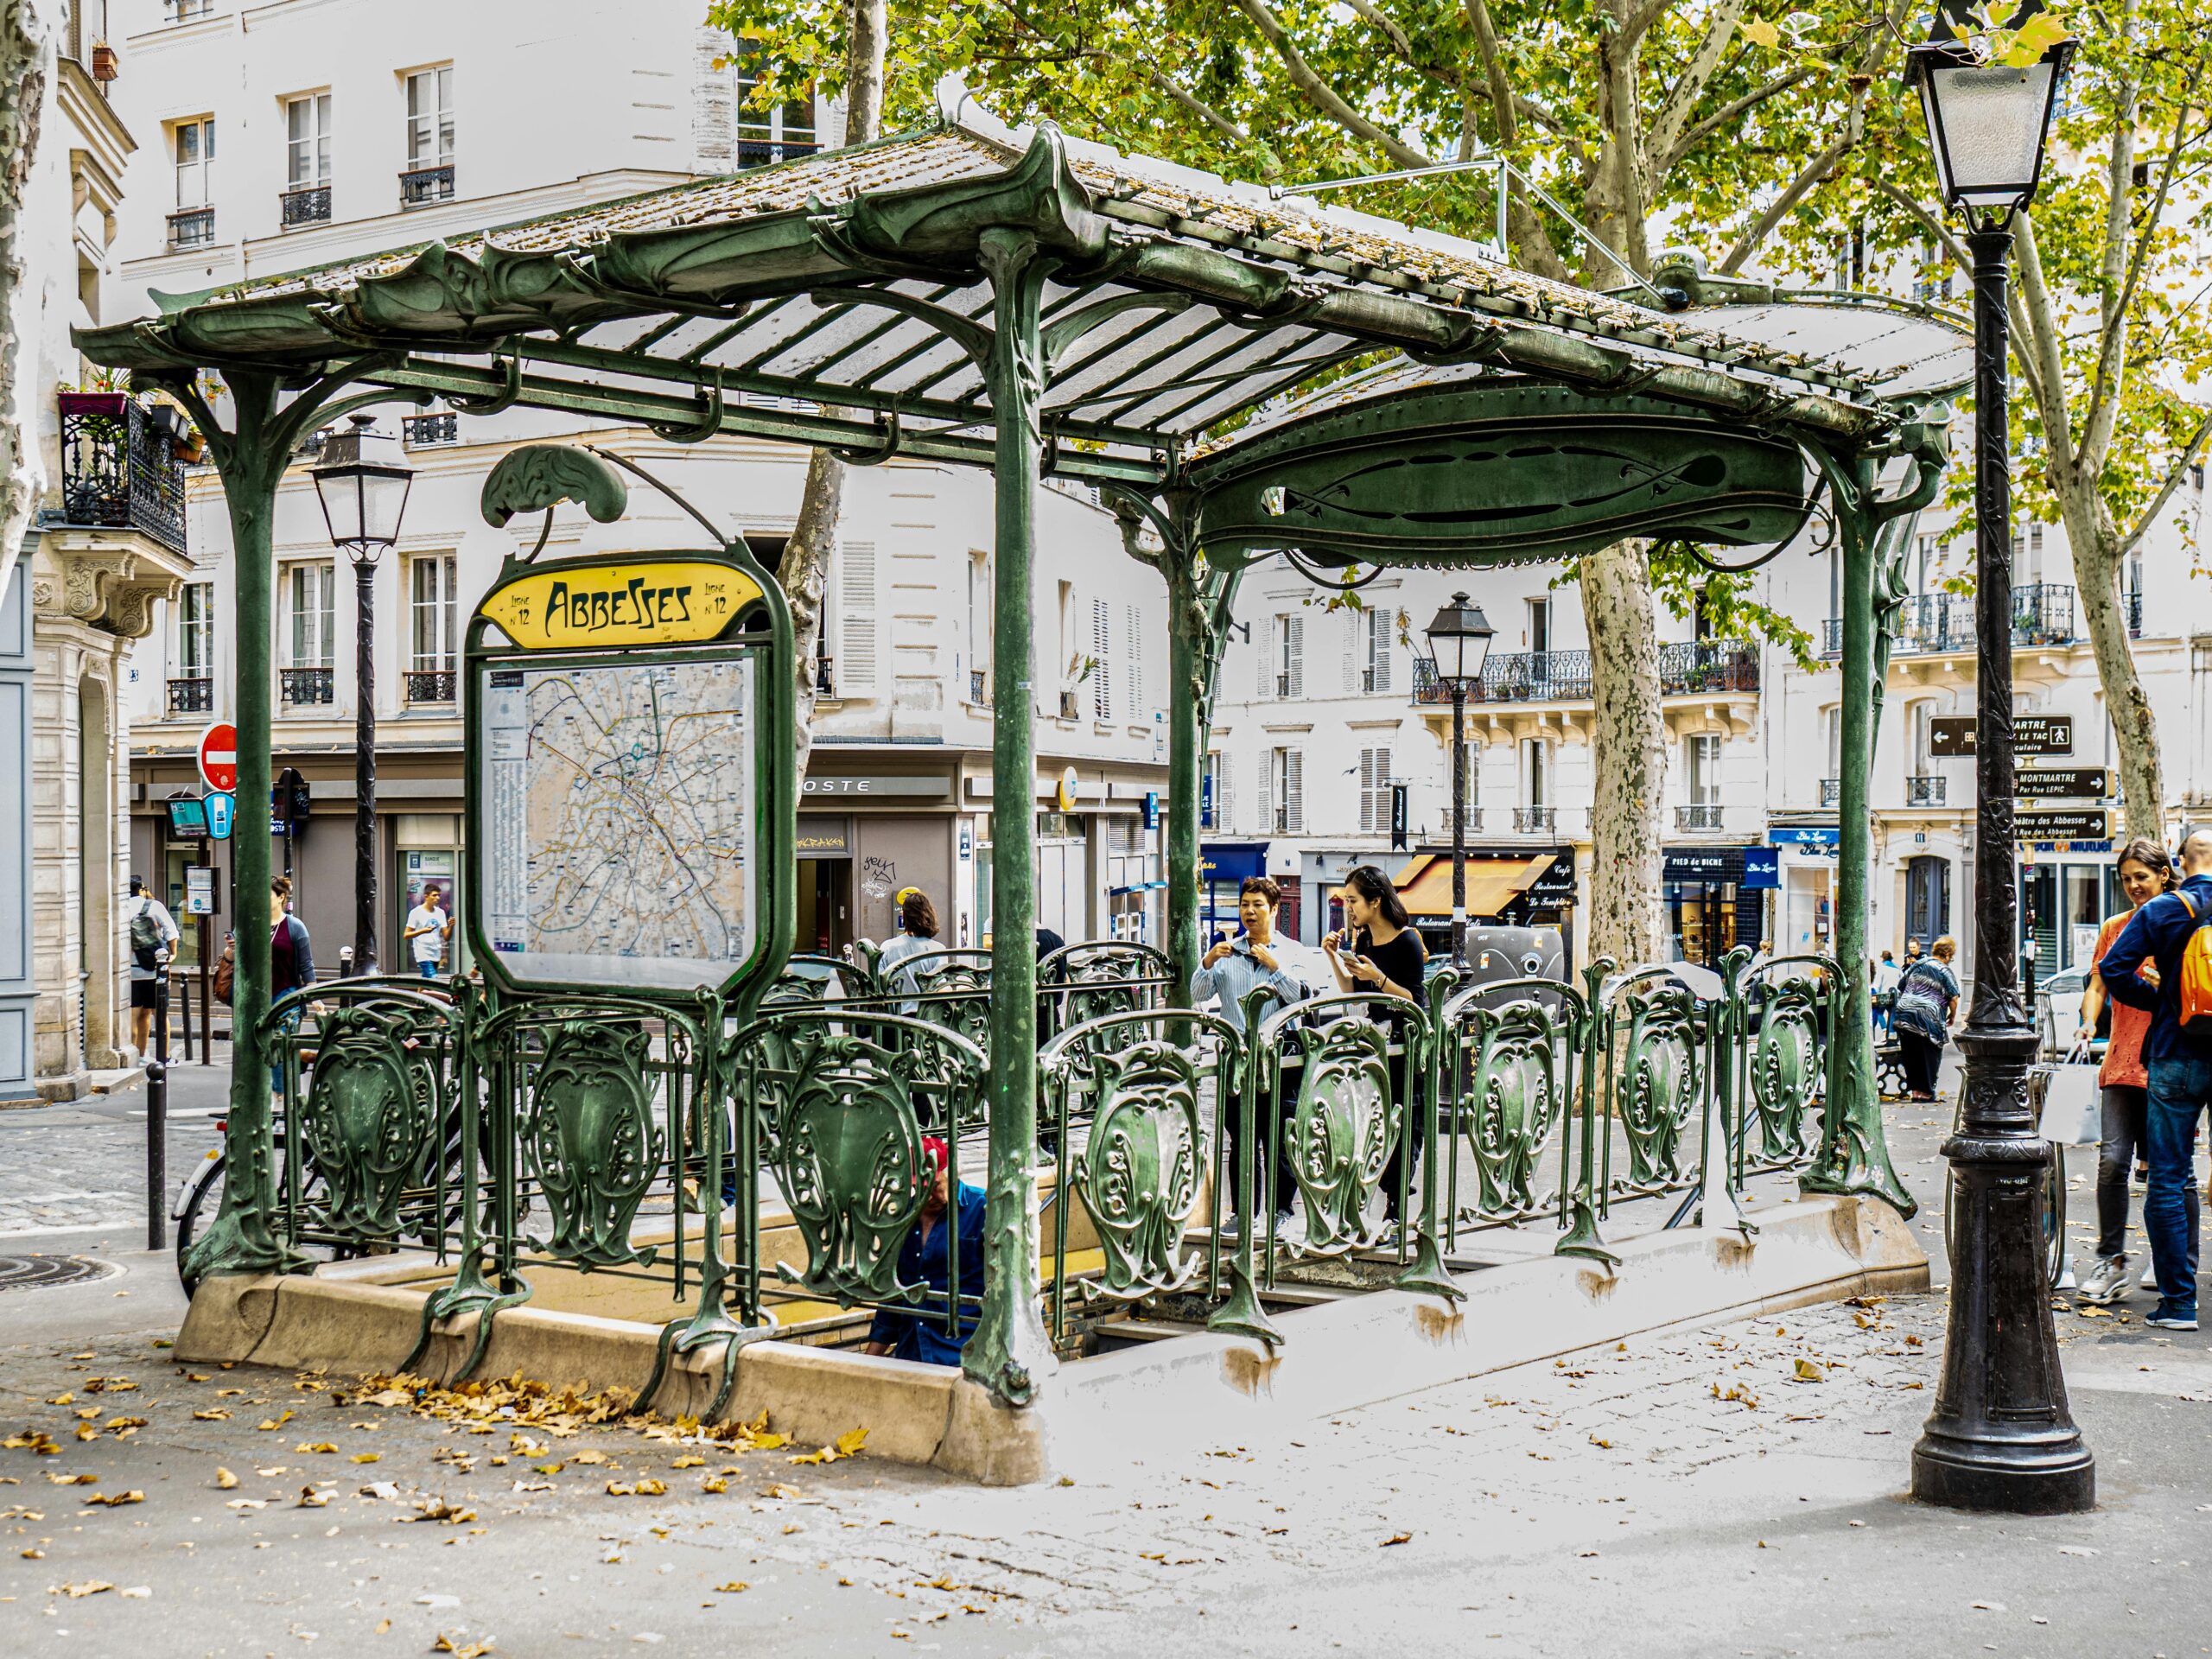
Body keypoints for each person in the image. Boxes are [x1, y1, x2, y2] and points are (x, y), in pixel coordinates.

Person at [2095, 825, 2212, 1332]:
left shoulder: (2164, 910)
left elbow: (2114, 969)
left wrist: (2165, 1005)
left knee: (2167, 1175)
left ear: (2181, 862)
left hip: (2176, 1052)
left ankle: (2178, 1304)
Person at [2075, 838, 2193, 1305]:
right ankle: (2113, 1261)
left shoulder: (2187, 924)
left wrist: (2168, 984)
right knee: (2112, 1162)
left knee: (2173, 1171)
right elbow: (2099, 984)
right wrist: (2087, 1022)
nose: (2133, 887)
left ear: (2164, 875)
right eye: (2126, 879)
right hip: (2122, 1061)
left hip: (2169, 1061)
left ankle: (2176, 1265)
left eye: (2141, 877)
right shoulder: (2115, 927)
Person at [1192, 878, 1325, 1240]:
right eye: (1245, 905)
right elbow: (1199, 994)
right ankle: (1242, 1212)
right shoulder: (1227, 952)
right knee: (1241, 1139)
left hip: (1281, 1057)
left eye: (1258, 905)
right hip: (1239, 1058)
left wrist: (1274, 965)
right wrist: (1206, 962)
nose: (1250, 912)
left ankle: (1281, 1211)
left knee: (1279, 1137)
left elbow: (1302, 999)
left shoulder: (1293, 951)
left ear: (1274, 910)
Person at [1323, 864, 1427, 1224]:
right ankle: (1379, 1201)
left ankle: (1396, 1209)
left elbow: (1415, 999)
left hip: (1403, 1048)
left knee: (1405, 1127)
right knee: (1375, 1128)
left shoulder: (1408, 941)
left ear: (1375, 901)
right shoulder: (1364, 939)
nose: (1348, 907)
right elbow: (1352, 992)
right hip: (1373, 1049)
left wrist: (1379, 977)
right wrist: (1334, 959)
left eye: (1353, 900)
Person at [861, 1137, 986, 1365]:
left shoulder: (982, 1210)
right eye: (921, 1189)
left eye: (936, 1187)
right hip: (912, 1356)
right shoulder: (903, 1219)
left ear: (953, 1172)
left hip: (964, 1358)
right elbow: (894, 1297)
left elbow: (1012, 1290)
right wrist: (867, 1363)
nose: (929, 1197)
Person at [1890, 935, 1959, 1103]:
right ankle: (1926, 1092)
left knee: (1911, 1054)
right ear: (1948, 955)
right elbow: (1954, 997)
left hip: (1905, 1014)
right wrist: (1952, 1016)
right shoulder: (1944, 970)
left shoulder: (1918, 964)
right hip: (1928, 1017)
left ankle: (1916, 1092)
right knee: (1930, 1053)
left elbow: (1901, 985)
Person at [268, 877, 315, 1097]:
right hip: (258, 997)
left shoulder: (294, 927)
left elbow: (306, 963)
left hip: (286, 993)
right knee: (263, 1047)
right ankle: (302, 1055)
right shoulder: (252, 924)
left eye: (267, 895)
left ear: (281, 897)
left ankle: (282, 1097)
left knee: (280, 1043)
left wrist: (314, 994)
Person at [125, 874, 180, 1060]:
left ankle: (135, 1055)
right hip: (154, 969)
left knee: (133, 1015)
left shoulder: (121, 906)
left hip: (130, 971)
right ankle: (163, 1057)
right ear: (141, 888)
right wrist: (171, 956)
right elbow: (171, 931)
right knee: (159, 1014)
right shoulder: (153, 906)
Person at [874, 889, 942, 1011]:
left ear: (903, 916)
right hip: (927, 1022)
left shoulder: (887, 947)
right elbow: (941, 987)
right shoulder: (938, 950)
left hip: (896, 1021)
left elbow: (878, 986)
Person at [403, 883, 453, 980]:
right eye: (434, 895)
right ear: (426, 896)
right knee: (433, 980)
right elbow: (406, 935)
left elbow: (446, 937)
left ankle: (419, 994)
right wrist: (423, 931)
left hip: (436, 952)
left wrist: (451, 926)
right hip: (423, 953)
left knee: (426, 981)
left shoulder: (440, 913)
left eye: (439, 895)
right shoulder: (416, 912)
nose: (437, 898)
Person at [1872, 950, 1903, 1039]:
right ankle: (1892, 1034)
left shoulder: (1882, 968)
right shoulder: (1898, 968)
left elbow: (1878, 983)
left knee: (1879, 1012)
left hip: (1884, 995)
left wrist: (1875, 993)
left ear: (1882, 958)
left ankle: (1884, 1029)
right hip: (1895, 995)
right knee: (1892, 1013)